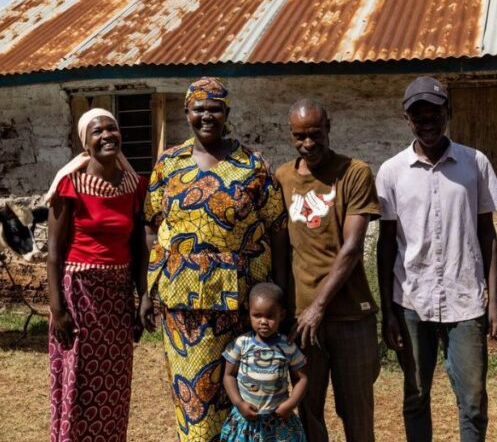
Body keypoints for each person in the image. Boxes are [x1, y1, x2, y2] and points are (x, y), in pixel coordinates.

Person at [141, 77, 289, 441]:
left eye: (215, 108)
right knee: (192, 399)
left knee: (243, 394)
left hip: (241, 305)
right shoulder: (168, 164)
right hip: (182, 309)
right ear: (186, 112)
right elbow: (151, 226)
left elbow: (279, 232)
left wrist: (283, 296)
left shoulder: (252, 166)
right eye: (199, 108)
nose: (207, 115)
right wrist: (150, 288)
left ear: (227, 112)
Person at [375, 77, 497, 442]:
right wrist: (388, 312)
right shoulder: (391, 172)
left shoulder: (474, 163)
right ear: (407, 120)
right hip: (411, 301)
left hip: (465, 300)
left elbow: (487, 235)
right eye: (419, 115)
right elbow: (386, 246)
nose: (427, 121)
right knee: (416, 395)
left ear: (448, 113)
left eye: (435, 113)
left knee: (474, 400)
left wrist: (493, 302)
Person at [274, 99, 382, 442]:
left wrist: (318, 307)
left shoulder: (354, 173)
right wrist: (284, 312)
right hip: (300, 322)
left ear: (329, 128)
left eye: (316, 134)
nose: (308, 144)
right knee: (307, 413)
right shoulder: (283, 177)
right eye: (299, 136)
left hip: (350, 317)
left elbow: (351, 249)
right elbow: (279, 247)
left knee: (357, 413)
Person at [45, 107, 149, 442]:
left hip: (117, 298)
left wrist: (142, 297)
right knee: (80, 381)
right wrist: (58, 310)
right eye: (97, 131)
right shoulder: (69, 185)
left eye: (112, 128)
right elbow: (55, 254)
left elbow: (137, 248)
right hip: (79, 295)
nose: (107, 135)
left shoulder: (133, 185)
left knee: (113, 385)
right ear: (86, 144)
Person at [220, 282, 308, 442]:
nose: (263, 321)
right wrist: (239, 404)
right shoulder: (241, 344)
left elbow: (301, 378)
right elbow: (229, 375)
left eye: (270, 316)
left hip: (279, 421)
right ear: (249, 315)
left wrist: (290, 405)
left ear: (281, 315)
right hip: (247, 421)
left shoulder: (287, 346)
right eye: (257, 315)